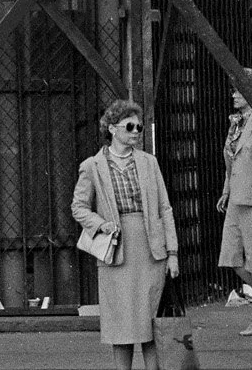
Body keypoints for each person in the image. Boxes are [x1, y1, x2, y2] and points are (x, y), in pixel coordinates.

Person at [71, 99, 179, 370]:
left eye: (139, 127)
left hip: (150, 249)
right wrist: (100, 224)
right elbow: (78, 208)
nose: (135, 132)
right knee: (121, 326)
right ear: (111, 128)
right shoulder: (92, 166)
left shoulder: (148, 162)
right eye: (129, 126)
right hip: (117, 252)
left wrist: (173, 253)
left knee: (151, 322)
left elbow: (164, 208)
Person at [218, 68, 252, 337]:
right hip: (236, 198)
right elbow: (232, 161)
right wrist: (226, 190)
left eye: (239, 90)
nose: (234, 95)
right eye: (234, 90)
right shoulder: (236, 122)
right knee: (232, 257)